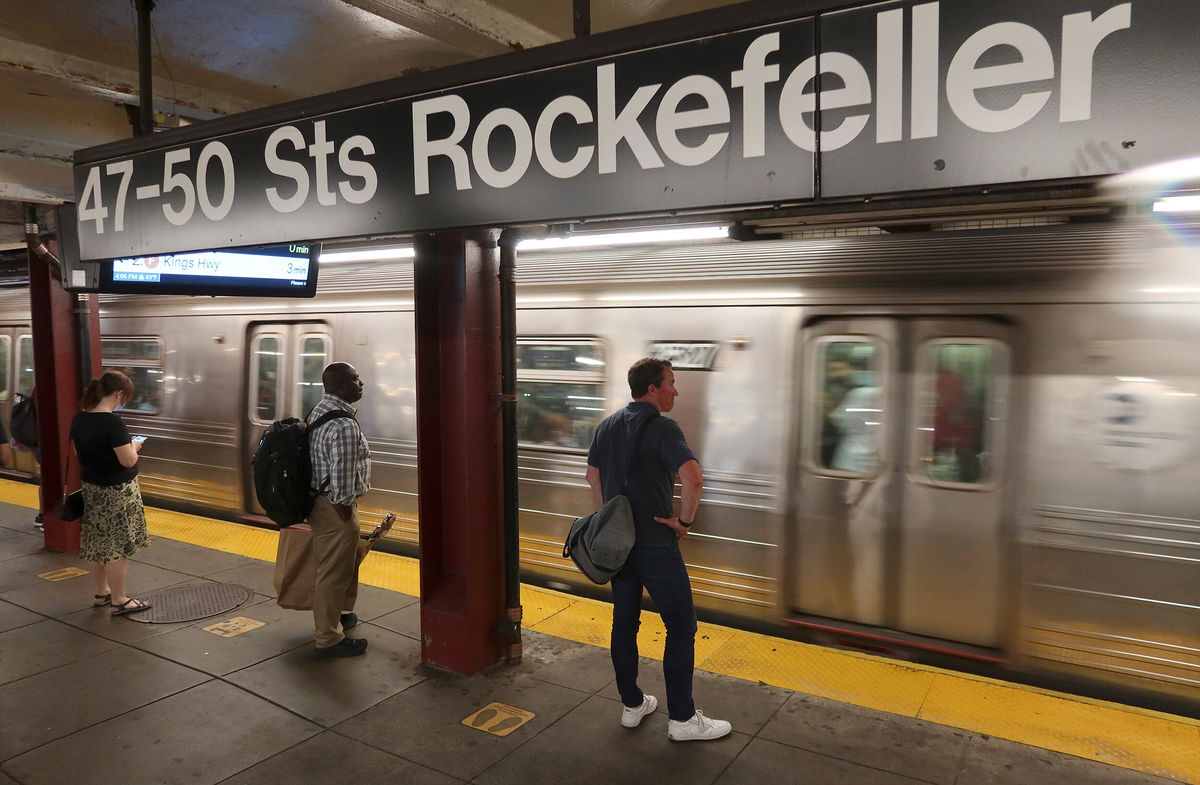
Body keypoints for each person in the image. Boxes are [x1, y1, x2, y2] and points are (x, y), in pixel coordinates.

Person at [585, 357, 731, 742]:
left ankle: (633, 705)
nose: (675, 391)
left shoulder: (608, 424)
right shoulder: (664, 427)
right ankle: (682, 719)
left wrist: (612, 516)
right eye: (671, 382)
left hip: (619, 546)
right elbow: (693, 478)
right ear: (652, 388)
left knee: (624, 623)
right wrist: (683, 522)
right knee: (681, 626)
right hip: (655, 544)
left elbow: (592, 476)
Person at [69, 371, 152, 615]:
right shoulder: (112, 423)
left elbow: (78, 453)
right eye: (124, 397)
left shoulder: (79, 419)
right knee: (118, 547)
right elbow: (127, 461)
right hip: (117, 493)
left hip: (92, 489)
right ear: (119, 394)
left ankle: (102, 592)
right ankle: (120, 599)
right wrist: (135, 445)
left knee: (99, 542)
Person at [306, 362, 371, 657]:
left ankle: (339, 617)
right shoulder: (343, 424)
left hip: (318, 502)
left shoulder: (319, 409)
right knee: (333, 573)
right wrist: (346, 516)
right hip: (335, 507)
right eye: (356, 379)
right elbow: (342, 480)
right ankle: (328, 639)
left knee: (337, 566)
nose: (361, 383)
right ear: (341, 385)